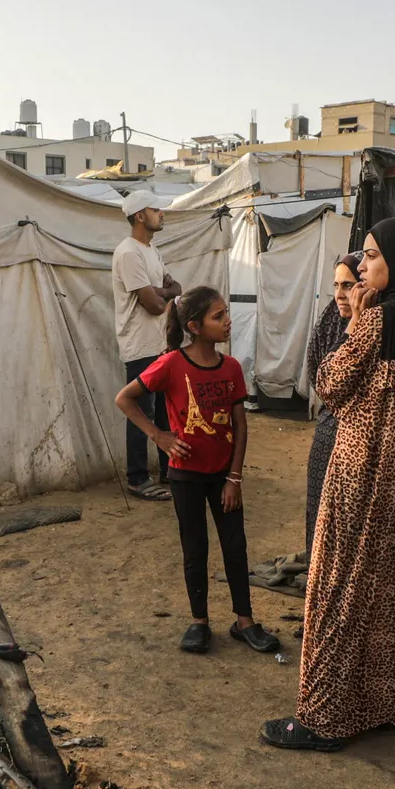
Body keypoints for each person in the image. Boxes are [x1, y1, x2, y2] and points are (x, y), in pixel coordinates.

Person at [261, 217, 395, 752]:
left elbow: (329, 383)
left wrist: (356, 325)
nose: (362, 266)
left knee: (340, 586)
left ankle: (326, 717)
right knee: (390, 587)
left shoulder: (379, 317)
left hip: (364, 469)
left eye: (371, 255)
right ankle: (379, 702)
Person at [114, 287, 276, 655]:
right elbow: (125, 398)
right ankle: (199, 621)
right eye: (218, 316)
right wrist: (158, 436)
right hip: (185, 476)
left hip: (223, 476)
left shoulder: (231, 367)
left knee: (235, 546)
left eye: (226, 313)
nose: (228, 321)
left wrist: (234, 478)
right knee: (194, 547)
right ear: (194, 326)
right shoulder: (171, 364)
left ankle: (244, 621)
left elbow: (240, 425)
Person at [114, 191, 183, 501]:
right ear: (140, 216)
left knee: (166, 410)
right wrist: (163, 293)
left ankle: (170, 469)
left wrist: (160, 291)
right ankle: (137, 478)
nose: (162, 213)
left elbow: (175, 287)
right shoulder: (128, 253)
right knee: (141, 411)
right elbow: (154, 306)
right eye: (156, 210)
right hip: (139, 345)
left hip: (158, 344)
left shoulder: (152, 250)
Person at [303, 253, 359, 552]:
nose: (339, 294)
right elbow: (320, 375)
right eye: (336, 285)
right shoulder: (331, 321)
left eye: (348, 285)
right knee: (320, 517)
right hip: (328, 433)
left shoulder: (379, 326)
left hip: (361, 443)